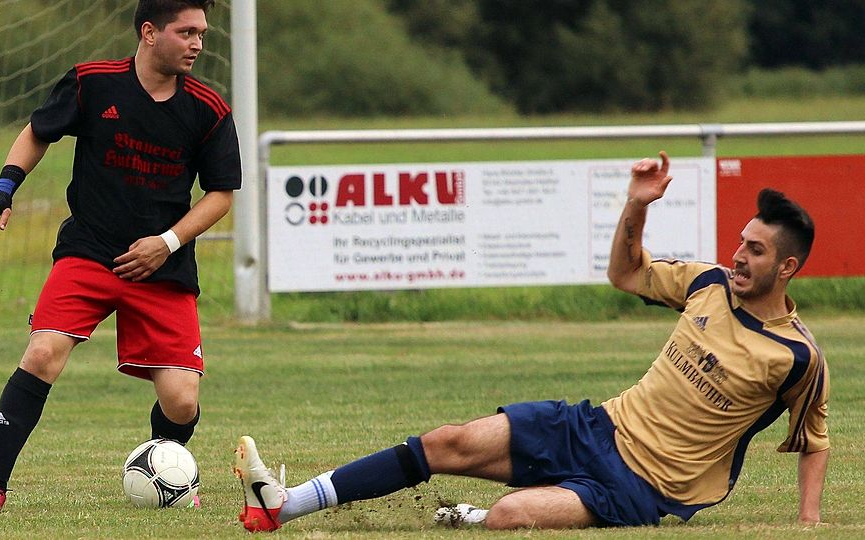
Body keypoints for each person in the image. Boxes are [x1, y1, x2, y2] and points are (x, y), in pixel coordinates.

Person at [233, 151, 828, 531]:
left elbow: (815, 440)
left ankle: (477, 517)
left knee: (514, 516)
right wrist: (635, 206)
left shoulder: (797, 356)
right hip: (598, 426)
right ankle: (285, 505)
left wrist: (807, 521)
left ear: (788, 267)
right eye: (741, 242)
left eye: (755, 250)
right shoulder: (708, 284)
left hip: (645, 486)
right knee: (449, 441)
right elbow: (624, 273)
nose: (738, 256)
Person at [0, 0, 240, 517]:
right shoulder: (92, 83)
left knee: (182, 401)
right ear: (150, 32)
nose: (199, 43)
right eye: (187, 32)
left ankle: (170, 465)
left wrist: (168, 243)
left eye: (202, 32)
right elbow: (38, 131)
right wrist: (2, 190)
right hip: (89, 252)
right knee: (42, 354)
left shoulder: (208, 108)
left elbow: (221, 193)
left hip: (164, 266)